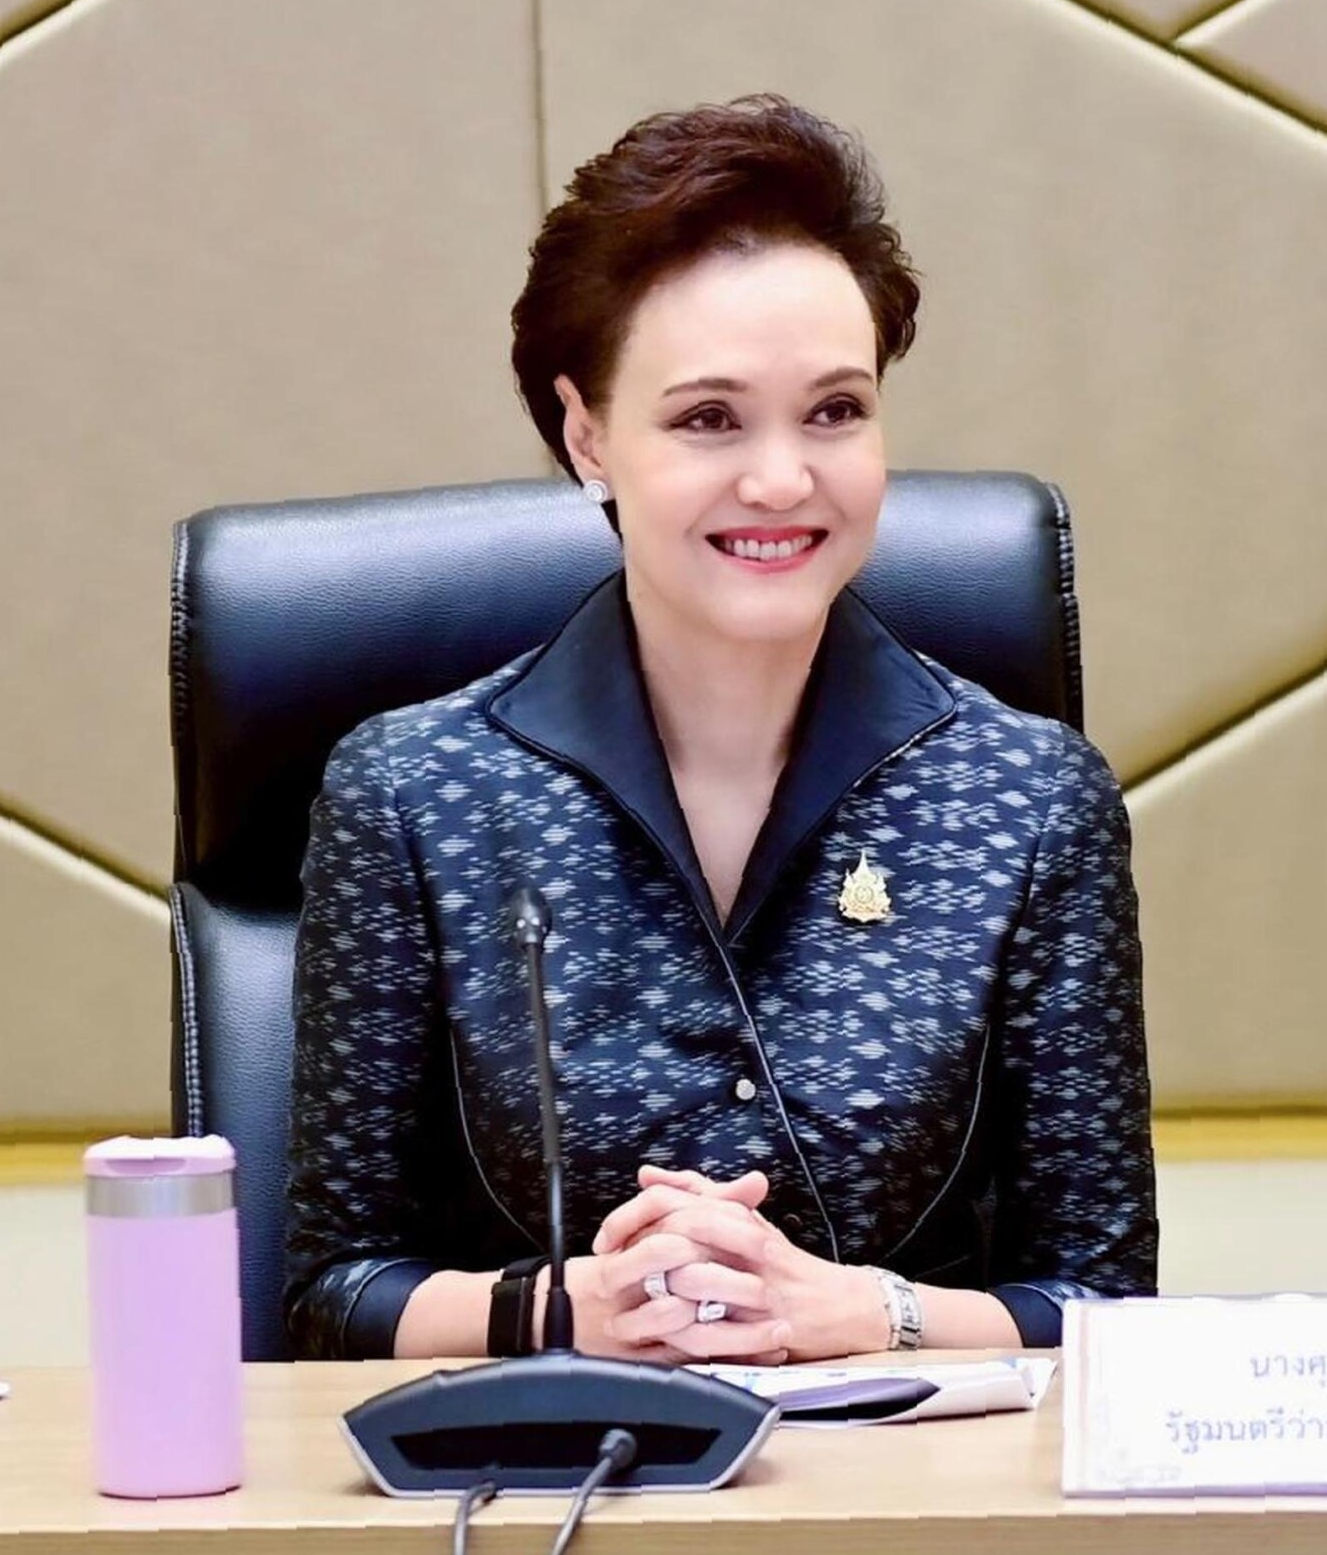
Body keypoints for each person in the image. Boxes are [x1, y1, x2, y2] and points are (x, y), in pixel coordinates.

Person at [284, 95, 1155, 1365]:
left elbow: (1105, 1308)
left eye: (834, 411)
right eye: (707, 419)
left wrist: (863, 1313)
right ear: (587, 435)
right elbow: (326, 1295)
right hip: (550, 1459)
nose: (781, 480)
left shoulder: (1028, 799)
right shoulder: (417, 794)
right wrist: (576, 1308)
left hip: (909, 1465)